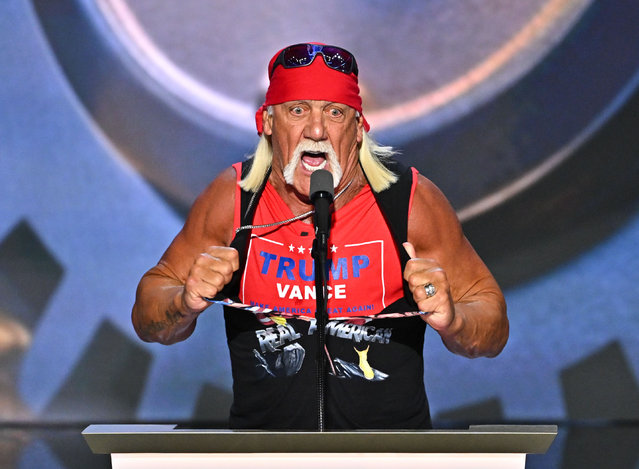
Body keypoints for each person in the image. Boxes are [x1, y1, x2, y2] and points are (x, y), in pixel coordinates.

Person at [132, 43, 508, 430]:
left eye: (335, 113)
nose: (316, 130)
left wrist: (454, 320)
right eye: (297, 110)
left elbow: (492, 329)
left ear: (359, 129)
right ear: (268, 122)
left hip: (388, 457)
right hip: (266, 457)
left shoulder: (408, 201)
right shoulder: (234, 200)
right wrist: (184, 301)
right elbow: (148, 319)